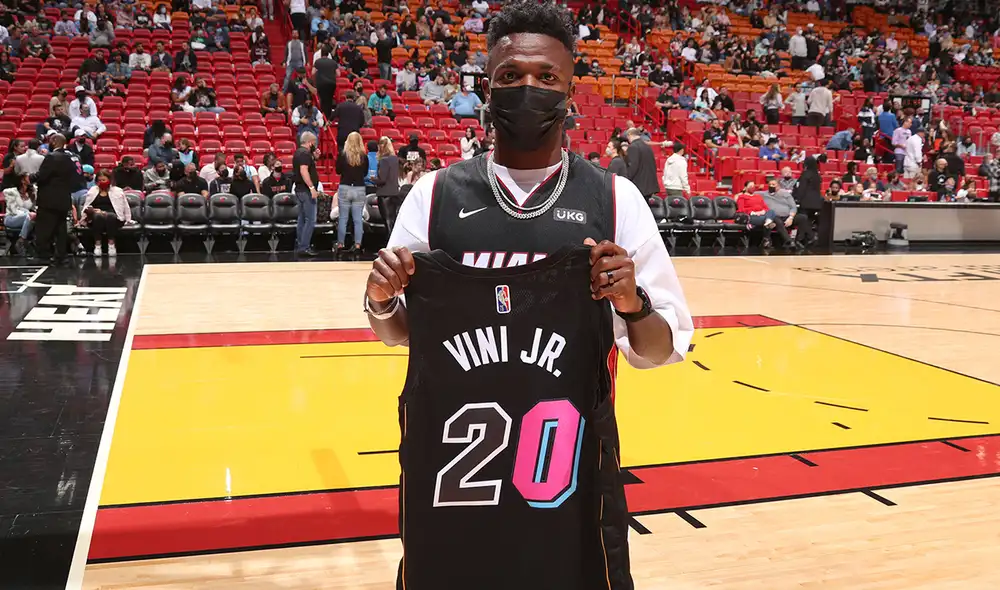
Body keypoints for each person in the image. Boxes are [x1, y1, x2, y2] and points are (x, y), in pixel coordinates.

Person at [364, 4, 692, 587]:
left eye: (546, 78)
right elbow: (402, 331)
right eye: (510, 76)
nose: (527, 89)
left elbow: (661, 348)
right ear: (486, 86)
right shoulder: (435, 196)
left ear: (571, 92)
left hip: (568, 495)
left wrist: (632, 303)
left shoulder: (615, 201)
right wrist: (383, 300)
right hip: (452, 490)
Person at [33, 134, 79, 264]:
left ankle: (43, 256)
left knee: (44, 228)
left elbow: (42, 176)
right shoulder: (70, 158)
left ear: (54, 141)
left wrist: (30, 179)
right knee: (61, 229)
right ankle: (61, 255)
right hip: (64, 199)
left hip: (49, 200)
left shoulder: (51, 157)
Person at [79, 169, 132, 256]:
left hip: (113, 216)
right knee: (98, 217)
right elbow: (86, 206)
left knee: (110, 216)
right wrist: (92, 210)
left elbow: (125, 206)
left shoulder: (117, 191)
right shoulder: (93, 190)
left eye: (103, 180)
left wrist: (128, 219)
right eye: (99, 180)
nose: (101, 182)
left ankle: (111, 244)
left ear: (109, 180)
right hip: (95, 217)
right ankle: (97, 245)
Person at [335, 132, 369, 254]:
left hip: (345, 187)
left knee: (343, 218)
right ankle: (358, 245)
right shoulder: (363, 156)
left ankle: (340, 244)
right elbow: (365, 173)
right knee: (357, 219)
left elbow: (338, 170)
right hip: (359, 188)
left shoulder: (343, 155)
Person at [292, 131, 320, 256]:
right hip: (305, 190)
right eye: (314, 143)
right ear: (310, 142)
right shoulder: (304, 154)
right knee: (310, 219)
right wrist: (312, 187)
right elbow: (304, 171)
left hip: (299, 189)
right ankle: (304, 247)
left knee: (302, 218)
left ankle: (300, 244)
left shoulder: (299, 152)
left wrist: (315, 157)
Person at [791, 156, 822, 246]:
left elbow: (802, 189)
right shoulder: (817, 175)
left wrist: (797, 199)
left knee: (803, 220)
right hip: (816, 203)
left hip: (806, 202)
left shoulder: (806, 174)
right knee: (807, 221)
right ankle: (799, 240)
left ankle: (811, 236)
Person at [3, 173, 36, 256]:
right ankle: (22, 242)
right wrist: (28, 213)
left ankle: (23, 241)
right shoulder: (11, 192)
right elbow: (14, 210)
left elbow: (35, 207)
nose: (31, 178)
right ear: (22, 180)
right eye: (28, 177)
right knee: (29, 216)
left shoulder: (31, 192)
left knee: (31, 218)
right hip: (11, 218)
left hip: (26, 218)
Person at [374, 136, 401, 232]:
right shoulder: (395, 159)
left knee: (388, 221)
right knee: (393, 220)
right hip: (394, 193)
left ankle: (390, 244)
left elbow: (382, 179)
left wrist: (373, 179)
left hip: (385, 194)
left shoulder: (384, 160)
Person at [623, 128, 659, 199]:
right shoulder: (647, 146)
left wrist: (626, 180)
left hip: (639, 186)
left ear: (630, 135)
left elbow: (633, 167)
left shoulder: (633, 147)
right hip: (649, 186)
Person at [312, 46, 338, 118]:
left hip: (321, 83)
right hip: (331, 83)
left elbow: (313, 72)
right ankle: (328, 117)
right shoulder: (333, 62)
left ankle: (322, 117)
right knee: (329, 100)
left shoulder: (318, 62)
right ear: (328, 54)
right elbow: (338, 73)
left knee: (322, 100)